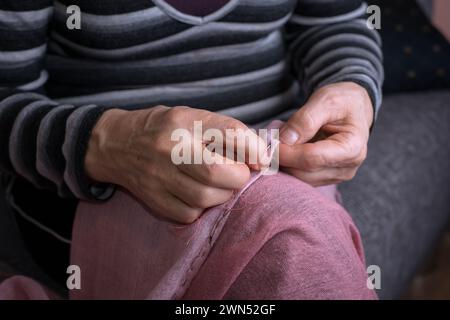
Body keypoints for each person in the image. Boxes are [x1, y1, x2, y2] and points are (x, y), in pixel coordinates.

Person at [0, 0, 383, 297]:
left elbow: (334, 22)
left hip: (284, 175)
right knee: (290, 242)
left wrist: (352, 87)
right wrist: (103, 142)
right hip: (98, 187)